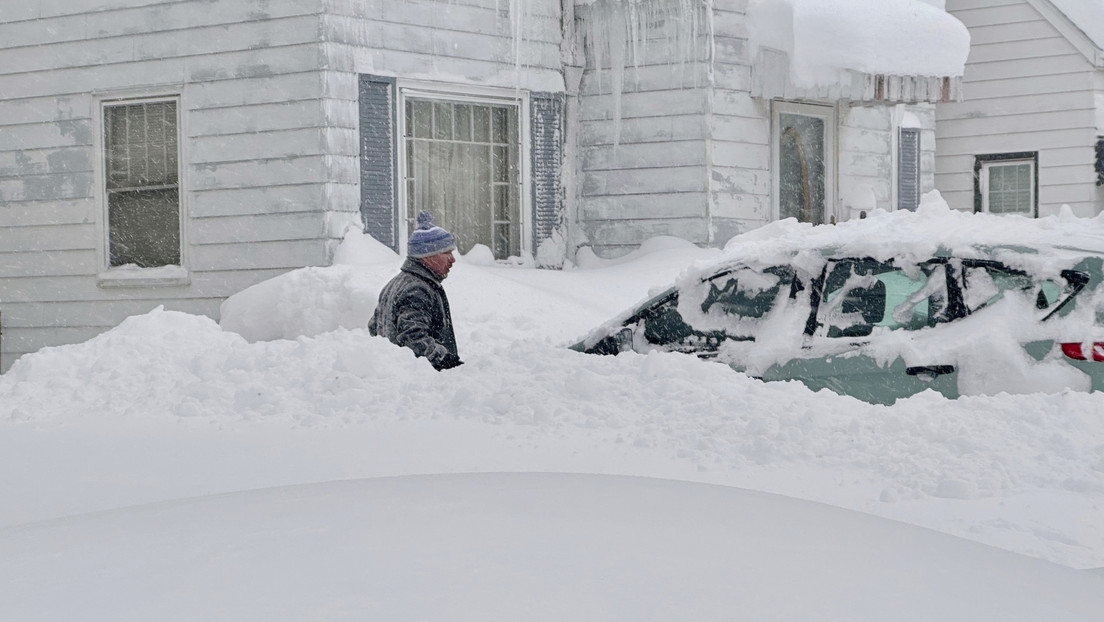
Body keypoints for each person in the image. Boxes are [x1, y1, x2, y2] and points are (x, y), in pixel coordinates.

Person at [369, 211, 463, 370]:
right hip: (417, 377)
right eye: (446, 253)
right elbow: (412, 337)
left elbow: (374, 327)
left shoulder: (396, 283)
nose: (452, 259)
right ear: (428, 256)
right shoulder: (417, 289)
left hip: (394, 372)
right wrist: (443, 359)